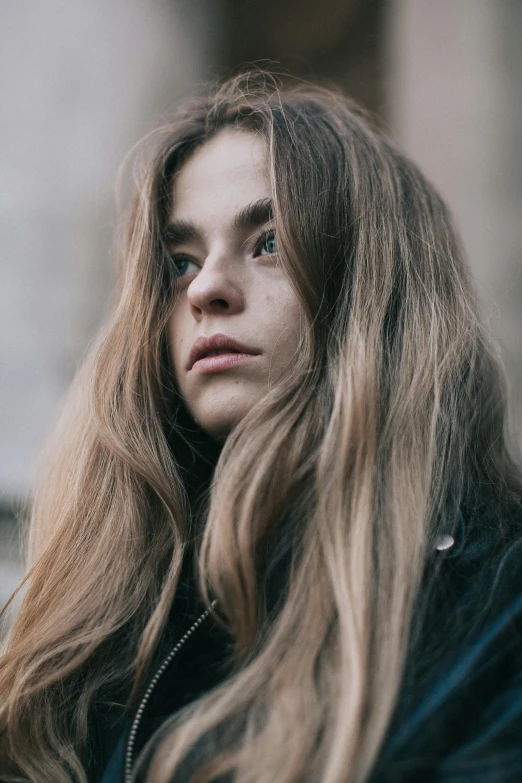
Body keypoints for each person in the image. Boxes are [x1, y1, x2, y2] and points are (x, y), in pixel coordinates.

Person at [1, 69, 521, 783]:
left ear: (374, 283)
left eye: (268, 241)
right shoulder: (110, 616)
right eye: (181, 261)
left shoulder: (498, 609)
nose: (207, 288)